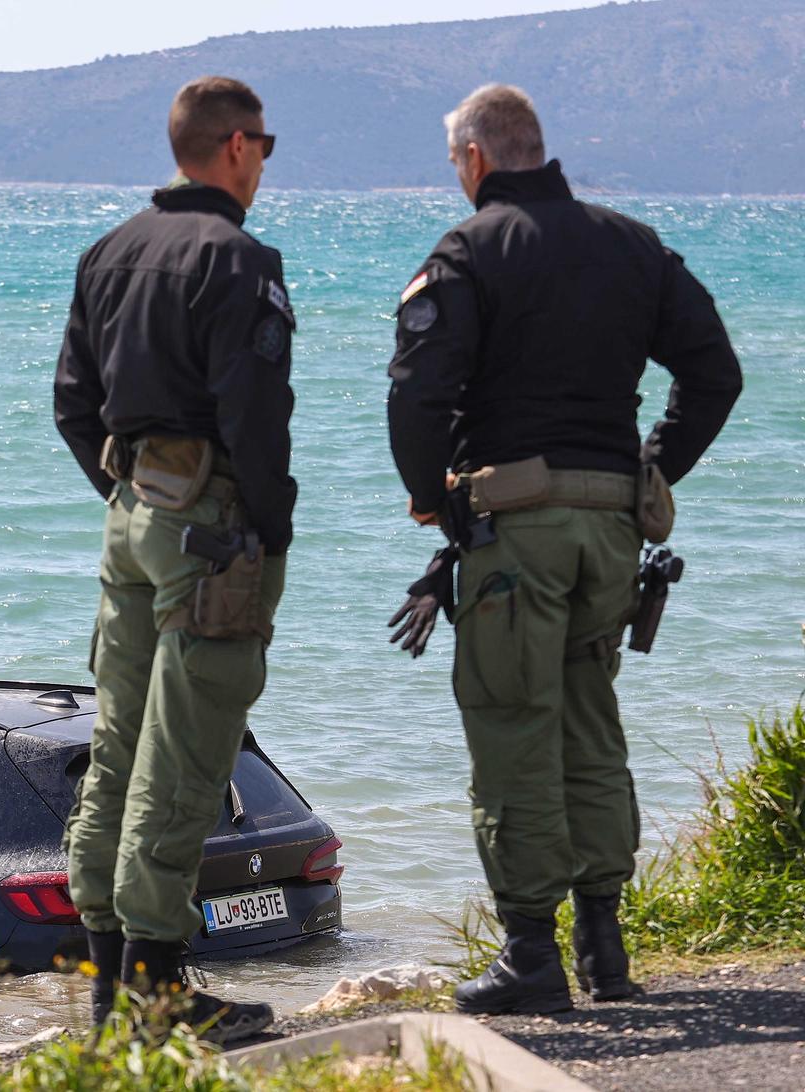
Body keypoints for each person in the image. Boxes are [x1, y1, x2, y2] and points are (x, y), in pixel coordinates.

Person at [386, 84, 742, 1015]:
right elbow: (715, 371)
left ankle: (530, 958)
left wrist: (434, 503)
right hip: (612, 531)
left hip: (519, 529)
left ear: (474, 160)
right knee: (589, 721)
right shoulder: (632, 244)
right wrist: (653, 468)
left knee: (514, 726)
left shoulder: (468, 250)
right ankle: (607, 949)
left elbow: (420, 396)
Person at [53, 75, 294, 1044]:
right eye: (265, 146)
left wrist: (129, 497)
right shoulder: (235, 261)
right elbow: (256, 422)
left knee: (116, 743)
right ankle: (158, 995)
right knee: (183, 757)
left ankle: (111, 995)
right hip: (209, 528)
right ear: (234, 148)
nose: (265, 165)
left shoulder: (108, 252)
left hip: (129, 518)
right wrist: (266, 535)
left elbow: (73, 405)